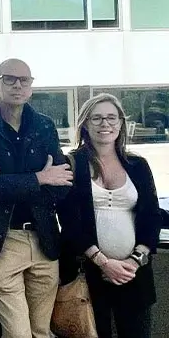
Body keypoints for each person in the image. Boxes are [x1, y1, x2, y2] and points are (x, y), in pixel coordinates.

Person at [0, 58, 72, 338]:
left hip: (44, 238)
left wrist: (4, 176)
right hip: (3, 242)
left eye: (24, 80)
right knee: (18, 334)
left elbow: (61, 185)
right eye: (9, 79)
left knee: (41, 331)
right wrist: (38, 177)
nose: (17, 85)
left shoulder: (45, 126)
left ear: (31, 87)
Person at [58, 93, 161, 338]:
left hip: (133, 272)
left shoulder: (138, 165)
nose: (105, 124)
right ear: (85, 124)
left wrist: (134, 261)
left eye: (112, 118)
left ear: (121, 124)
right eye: (97, 118)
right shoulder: (72, 163)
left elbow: (152, 216)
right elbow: (69, 220)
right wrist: (104, 262)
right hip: (88, 272)